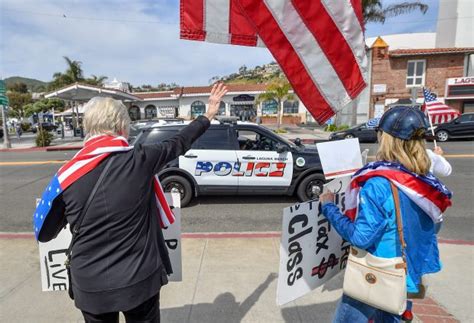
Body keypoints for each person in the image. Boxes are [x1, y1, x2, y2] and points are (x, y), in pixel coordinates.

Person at [34, 83, 228, 323]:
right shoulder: (140, 160)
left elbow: (44, 233)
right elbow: (179, 142)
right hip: (139, 281)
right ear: (120, 127)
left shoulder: (66, 175)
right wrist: (208, 114)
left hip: (91, 287)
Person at [319, 106, 453, 323]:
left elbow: (361, 237)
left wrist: (329, 208)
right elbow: (434, 226)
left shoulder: (379, 184)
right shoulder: (426, 180)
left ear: (387, 139)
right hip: (407, 270)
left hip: (377, 272)